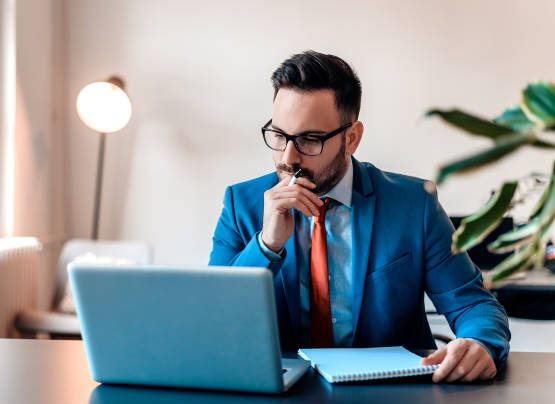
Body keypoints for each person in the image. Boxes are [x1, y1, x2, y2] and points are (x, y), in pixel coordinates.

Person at [208, 50, 510, 383]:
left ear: (351, 138)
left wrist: (479, 343)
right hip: (281, 393)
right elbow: (214, 318)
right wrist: (266, 245)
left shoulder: (414, 205)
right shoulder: (242, 204)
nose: (288, 157)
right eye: (279, 135)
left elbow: (472, 304)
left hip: (391, 394)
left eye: (309, 139)